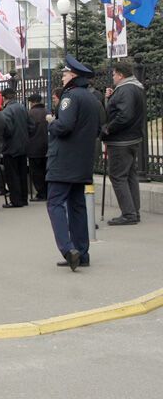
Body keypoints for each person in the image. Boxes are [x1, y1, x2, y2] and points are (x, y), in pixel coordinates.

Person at [46, 55, 102, 271]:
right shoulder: (92, 99)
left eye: (65, 73)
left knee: (55, 203)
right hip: (82, 162)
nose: (62, 77)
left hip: (64, 162)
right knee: (77, 206)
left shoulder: (70, 98)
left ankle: (69, 250)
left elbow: (65, 126)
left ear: (73, 76)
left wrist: (52, 123)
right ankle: (82, 252)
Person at [102, 61, 146, 225]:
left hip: (121, 140)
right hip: (132, 138)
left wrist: (108, 129)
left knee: (118, 176)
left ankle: (129, 214)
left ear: (120, 75)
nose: (112, 77)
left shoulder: (126, 90)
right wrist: (110, 98)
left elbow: (124, 115)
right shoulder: (135, 88)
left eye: (114, 74)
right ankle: (134, 210)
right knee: (130, 175)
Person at [1, 88, 33, 208]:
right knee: (22, 173)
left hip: (10, 147)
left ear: (4, 98)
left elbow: (7, 130)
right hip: (23, 146)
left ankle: (16, 200)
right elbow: (31, 126)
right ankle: (24, 198)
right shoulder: (22, 108)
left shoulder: (7, 111)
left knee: (12, 175)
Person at [27, 94, 48, 201]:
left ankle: (41, 193)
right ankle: (48, 192)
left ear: (32, 102)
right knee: (46, 170)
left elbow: (28, 130)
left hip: (34, 147)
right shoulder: (47, 111)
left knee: (36, 172)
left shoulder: (30, 113)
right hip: (47, 146)